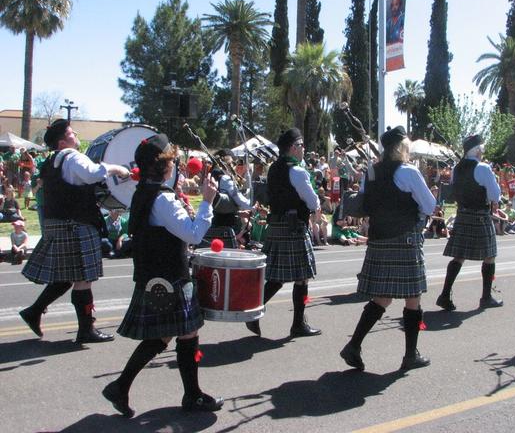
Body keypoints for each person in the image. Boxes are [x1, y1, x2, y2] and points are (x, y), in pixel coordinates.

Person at [102, 134, 224, 417]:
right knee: (187, 333)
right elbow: (192, 234)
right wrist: (206, 201)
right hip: (170, 276)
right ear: (166, 167)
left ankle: (121, 386)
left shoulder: (142, 192)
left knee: (167, 334)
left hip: (154, 274)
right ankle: (191, 396)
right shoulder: (163, 199)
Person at [18, 119, 130, 343]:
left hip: (58, 224)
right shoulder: (72, 156)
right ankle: (86, 330)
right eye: (71, 132)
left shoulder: (52, 161)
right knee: (84, 279)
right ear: (62, 142)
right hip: (76, 225)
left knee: (68, 277)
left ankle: (34, 311)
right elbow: (92, 174)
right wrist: (118, 169)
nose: (75, 133)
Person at [339, 126, 435, 371]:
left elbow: (365, 201)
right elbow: (429, 204)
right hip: (404, 238)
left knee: (382, 297)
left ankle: (354, 345)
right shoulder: (409, 172)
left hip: (379, 238)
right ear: (402, 147)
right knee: (412, 297)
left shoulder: (370, 173)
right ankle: (410, 355)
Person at [245, 128, 322, 338]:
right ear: (293, 147)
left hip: (277, 224)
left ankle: (253, 312)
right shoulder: (297, 171)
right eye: (302, 145)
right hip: (294, 226)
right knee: (302, 278)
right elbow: (313, 201)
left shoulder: (274, 169)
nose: (304, 149)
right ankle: (298, 324)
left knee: (277, 278)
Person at [436, 134, 503, 311]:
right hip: (480, 215)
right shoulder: (483, 168)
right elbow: (495, 196)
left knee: (459, 256)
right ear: (479, 150)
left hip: (463, 214)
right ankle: (486, 298)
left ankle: (444, 295)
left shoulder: (457, 169)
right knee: (489, 256)